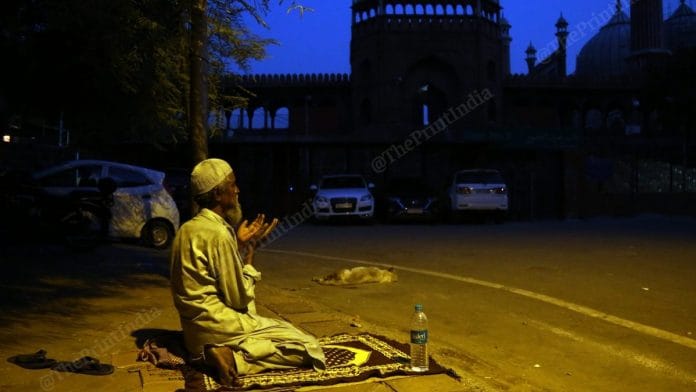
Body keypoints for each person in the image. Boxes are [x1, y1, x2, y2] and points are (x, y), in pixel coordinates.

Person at [169, 158, 325, 386]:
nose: (237, 190)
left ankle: (219, 351)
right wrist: (250, 255)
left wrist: (238, 246)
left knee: (272, 329)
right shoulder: (218, 234)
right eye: (232, 185)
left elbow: (209, 278)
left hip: (193, 334)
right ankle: (233, 358)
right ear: (218, 195)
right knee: (309, 348)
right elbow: (239, 298)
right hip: (219, 328)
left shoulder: (186, 229)